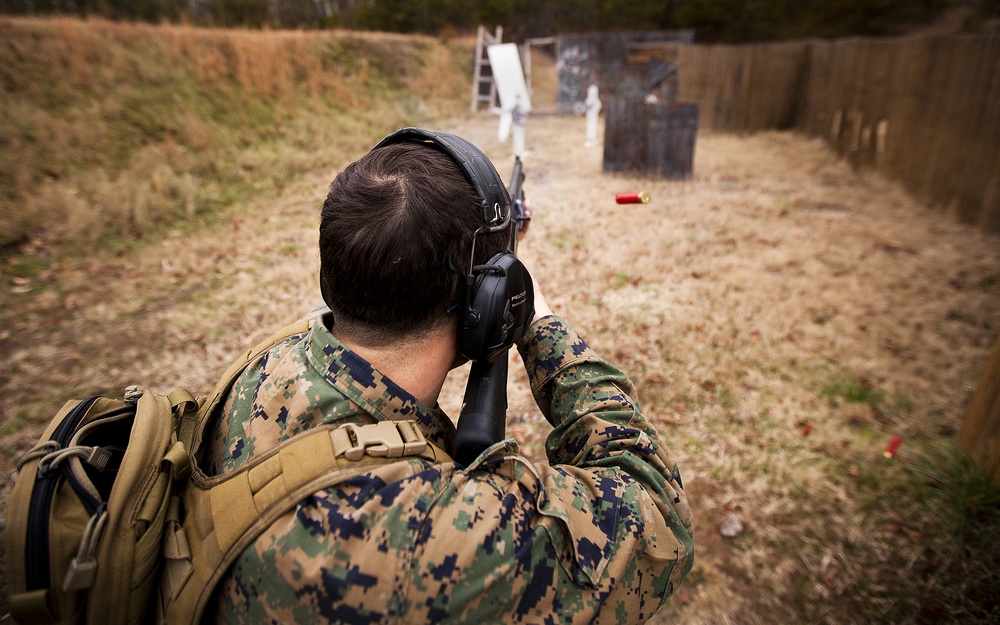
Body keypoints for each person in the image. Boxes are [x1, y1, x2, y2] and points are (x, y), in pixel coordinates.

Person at [202, 129, 693, 623]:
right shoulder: (435, 542)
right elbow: (659, 515)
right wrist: (539, 321)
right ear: (491, 302)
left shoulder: (268, 362)